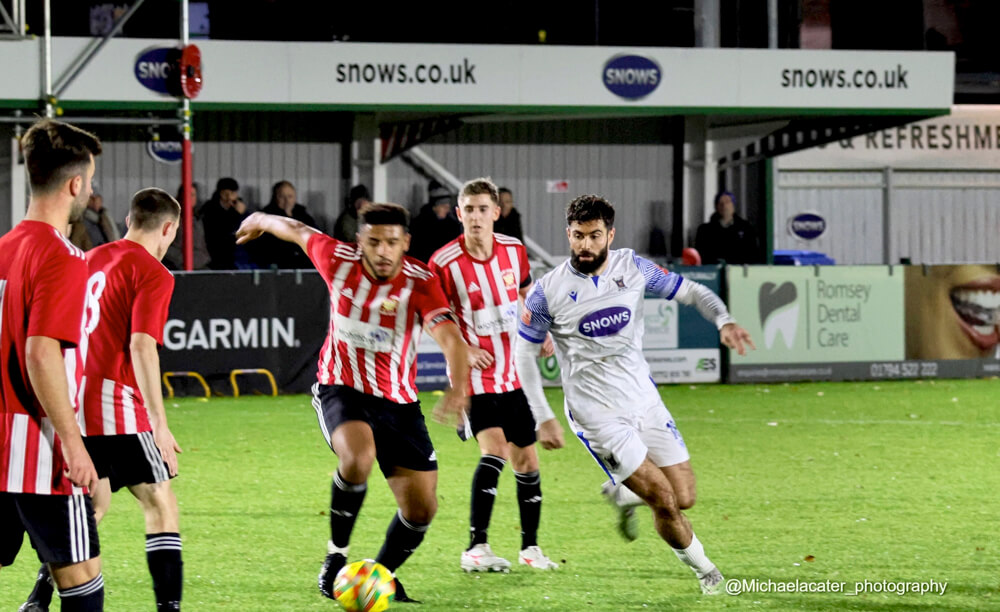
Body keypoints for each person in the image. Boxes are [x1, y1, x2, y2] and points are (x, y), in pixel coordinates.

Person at [513, 194, 755, 595]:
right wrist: (542, 415)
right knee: (663, 498)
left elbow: (693, 291)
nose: (585, 245)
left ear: (611, 233)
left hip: (644, 400)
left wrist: (724, 321)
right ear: (567, 234)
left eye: (593, 236)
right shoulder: (546, 292)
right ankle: (708, 573)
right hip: (595, 414)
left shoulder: (634, 268)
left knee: (684, 496)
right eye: (577, 236)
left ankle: (624, 494)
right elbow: (523, 353)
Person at [235, 202, 470, 603]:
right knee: (358, 458)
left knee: (422, 510)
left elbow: (450, 338)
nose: (382, 251)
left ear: (405, 244)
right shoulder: (336, 259)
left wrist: (459, 386)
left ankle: (377, 577)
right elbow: (294, 228)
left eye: (391, 243)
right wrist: (258, 221)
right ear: (360, 240)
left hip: (397, 403)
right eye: (374, 242)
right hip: (341, 389)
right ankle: (335, 557)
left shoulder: (420, 281)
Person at [20, 188, 184, 612]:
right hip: (117, 407)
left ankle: (40, 595)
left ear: (129, 221)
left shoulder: (89, 259)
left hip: (72, 404)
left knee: (92, 504)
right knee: (160, 501)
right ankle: (170, 607)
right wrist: (160, 425)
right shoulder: (154, 272)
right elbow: (142, 346)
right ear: (168, 229)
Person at [429, 178, 563, 574]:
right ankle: (476, 547)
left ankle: (531, 549)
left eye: (482, 209)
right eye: (468, 209)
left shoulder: (514, 251)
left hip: (515, 372)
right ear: (459, 214)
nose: (475, 216)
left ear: (496, 212)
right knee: (495, 451)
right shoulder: (444, 262)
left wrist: (541, 330)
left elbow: (526, 295)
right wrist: (464, 350)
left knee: (527, 460)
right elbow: (433, 319)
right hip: (477, 379)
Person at [0, 118, 105, 611]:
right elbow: (41, 352)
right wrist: (73, 442)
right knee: (83, 583)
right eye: (91, 179)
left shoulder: (2, 250)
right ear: (75, 183)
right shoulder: (63, 258)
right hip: (37, 452)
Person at [694, 190, 759, 265]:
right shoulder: (705, 230)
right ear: (716, 206)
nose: (724, 206)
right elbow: (700, 256)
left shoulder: (746, 228)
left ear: (733, 205)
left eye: (727, 202)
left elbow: (752, 254)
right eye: (720, 203)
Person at [408, 181, 462, 263]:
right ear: (434, 207)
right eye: (443, 206)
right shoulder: (419, 225)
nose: (447, 210)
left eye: (448, 207)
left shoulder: (452, 225)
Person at [201, 177, 247, 270]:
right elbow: (220, 231)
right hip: (217, 253)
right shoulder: (210, 208)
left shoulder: (240, 206)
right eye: (225, 194)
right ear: (219, 193)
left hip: (237, 253)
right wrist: (237, 214)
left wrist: (242, 214)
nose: (229, 198)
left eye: (232, 194)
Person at [163, 182, 210, 271]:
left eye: (193, 195)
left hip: (202, 265)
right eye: (187, 195)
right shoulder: (170, 219)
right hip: (179, 267)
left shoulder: (199, 218)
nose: (190, 198)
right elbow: (164, 246)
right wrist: (182, 259)